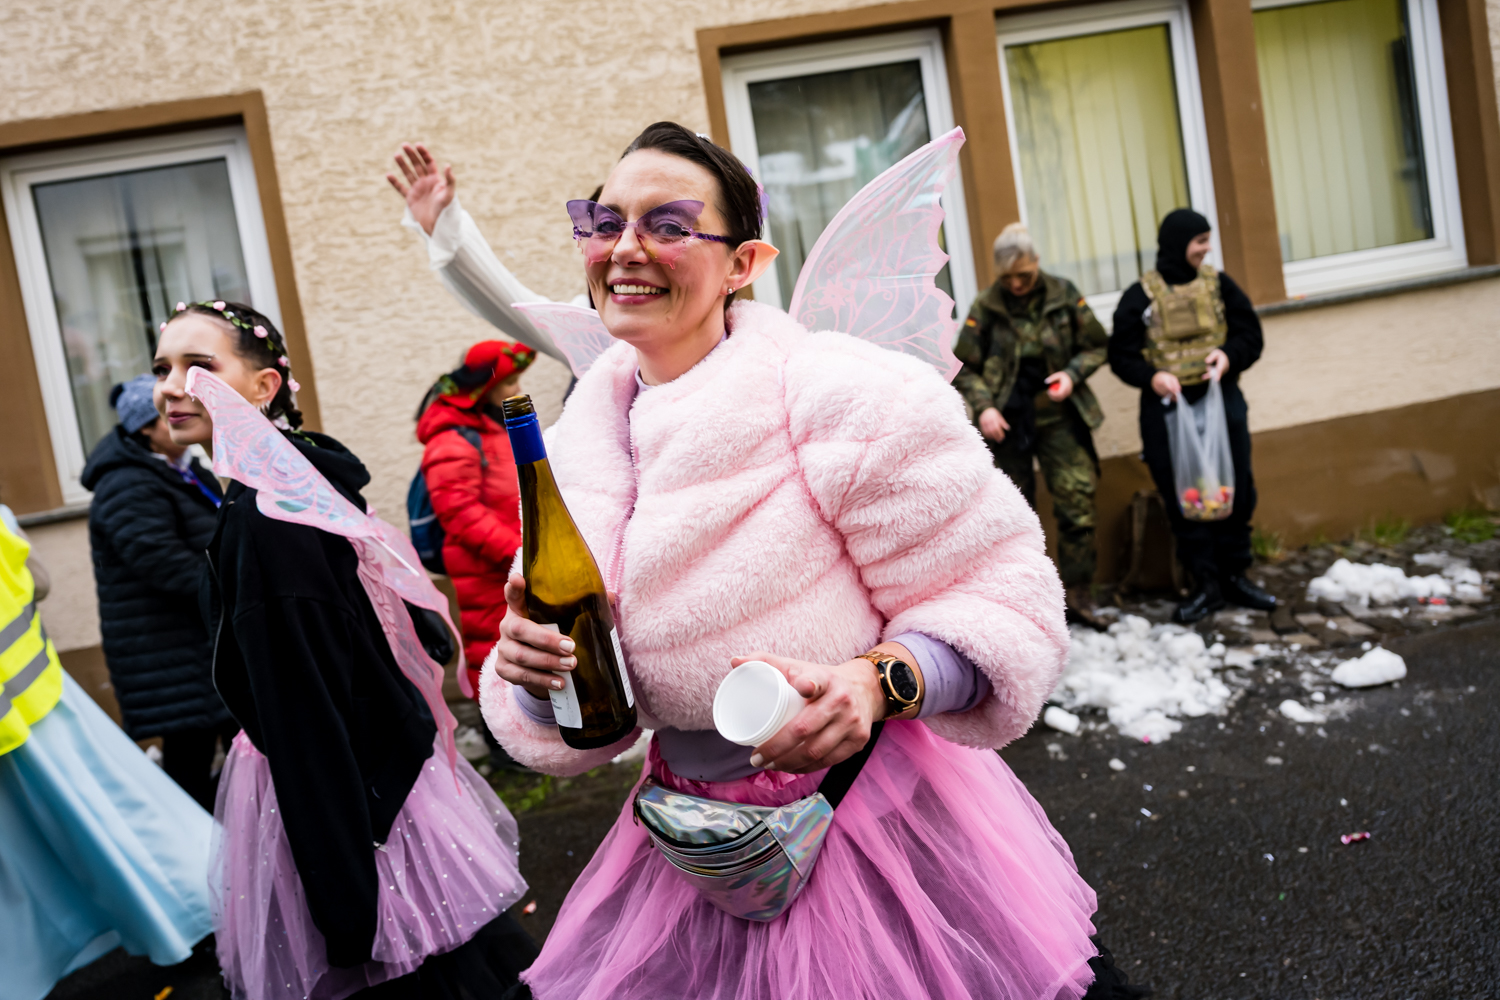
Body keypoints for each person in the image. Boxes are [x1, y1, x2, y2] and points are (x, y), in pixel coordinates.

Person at [480, 122, 1140, 1000]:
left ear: (744, 263)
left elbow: (1004, 595)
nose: (625, 247)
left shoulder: (842, 396)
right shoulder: (574, 449)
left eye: (668, 224)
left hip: (877, 831)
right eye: (604, 222)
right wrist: (530, 675)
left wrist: (876, 683)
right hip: (695, 848)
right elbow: (580, 689)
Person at [151, 301, 536, 1000]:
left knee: (422, 976)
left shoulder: (269, 524)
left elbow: (306, 723)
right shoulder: (296, 486)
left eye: (198, 366)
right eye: (162, 368)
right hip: (377, 784)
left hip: (351, 812)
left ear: (266, 388)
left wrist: (345, 901)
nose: (172, 386)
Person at [0, 502, 215, 1000]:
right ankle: (187, 911)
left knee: (57, 843)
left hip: (29, 707)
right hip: (36, 699)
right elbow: (35, 580)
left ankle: (189, 912)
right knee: (105, 817)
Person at [1108, 208, 1276, 623]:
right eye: (1200, 241)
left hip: (1222, 407)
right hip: (1168, 413)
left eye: (1207, 240)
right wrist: (1153, 377)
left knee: (1236, 490)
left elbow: (1250, 336)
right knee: (1187, 497)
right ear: (1178, 244)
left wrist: (1227, 357)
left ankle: (1236, 576)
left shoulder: (1219, 286)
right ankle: (1205, 585)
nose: (1207, 248)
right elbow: (1120, 355)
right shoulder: (1141, 296)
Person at [80, 373, 235, 809]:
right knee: (191, 761)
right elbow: (165, 565)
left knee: (236, 749)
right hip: (170, 652)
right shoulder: (126, 484)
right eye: (170, 414)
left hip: (198, 644)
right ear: (145, 429)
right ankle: (202, 854)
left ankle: (239, 841)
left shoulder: (183, 469)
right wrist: (241, 583)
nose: (183, 418)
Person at [954, 223, 1110, 630]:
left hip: (1059, 418)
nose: (1018, 284)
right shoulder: (986, 306)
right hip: (1007, 422)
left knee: (1077, 504)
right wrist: (984, 408)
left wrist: (1073, 375)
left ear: (1037, 263)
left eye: (1024, 274)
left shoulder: (1062, 294)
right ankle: (1026, 602)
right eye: (1008, 278)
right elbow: (964, 367)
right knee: (1014, 517)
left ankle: (1078, 595)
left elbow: (1097, 344)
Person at [387, 141, 590, 362]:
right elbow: (511, 303)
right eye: (606, 228)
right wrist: (443, 228)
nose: (622, 250)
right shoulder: (591, 331)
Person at [416, 340, 536, 694]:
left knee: (520, 648)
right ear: (486, 386)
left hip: (512, 566)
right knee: (493, 652)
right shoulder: (451, 440)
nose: (518, 389)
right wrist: (521, 554)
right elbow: (461, 515)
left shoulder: (490, 427)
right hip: (488, 570)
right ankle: (498, 738)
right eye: (511, 382)